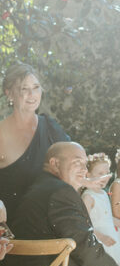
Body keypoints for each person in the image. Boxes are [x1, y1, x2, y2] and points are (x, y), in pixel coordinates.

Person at [0, 63, 69, 226]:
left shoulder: (51, 128)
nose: (32, 94)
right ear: (9, 94)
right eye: (24, 89)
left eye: (36, 87)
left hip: (51, 225)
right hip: (13, 233)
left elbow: (73, 164)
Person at [82, 153, 120, 266]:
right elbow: (83, 223)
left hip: (112, 240)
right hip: (100, 241)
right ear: (88, 175)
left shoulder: (103, 193)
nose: (104, 177)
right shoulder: (88, 197)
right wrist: (101, 237)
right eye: (99, 173)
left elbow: (108, 219)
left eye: (106, 172)